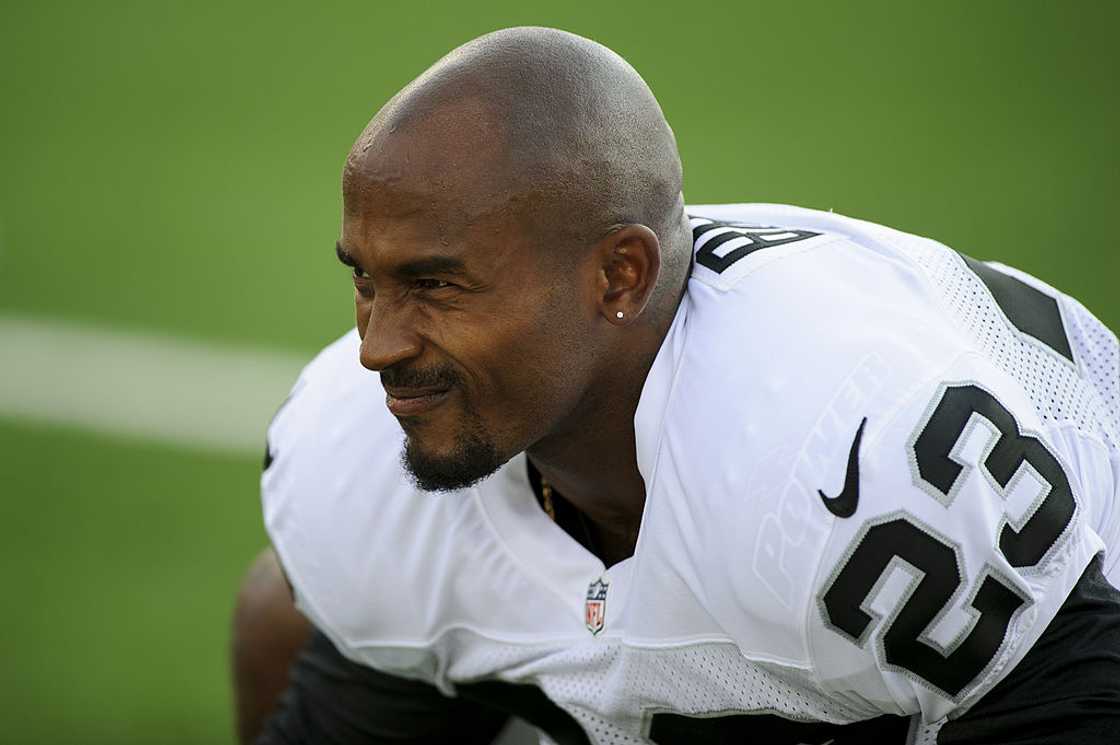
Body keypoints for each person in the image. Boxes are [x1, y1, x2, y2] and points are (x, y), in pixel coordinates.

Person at [233, 26, 1120, 745]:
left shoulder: (836, 445)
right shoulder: (353, 459)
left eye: (435, 285)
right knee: (288, 612)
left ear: (619, 276)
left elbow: (1075, 702)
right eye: (364, 280)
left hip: (1062, 631)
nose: (377, 346)